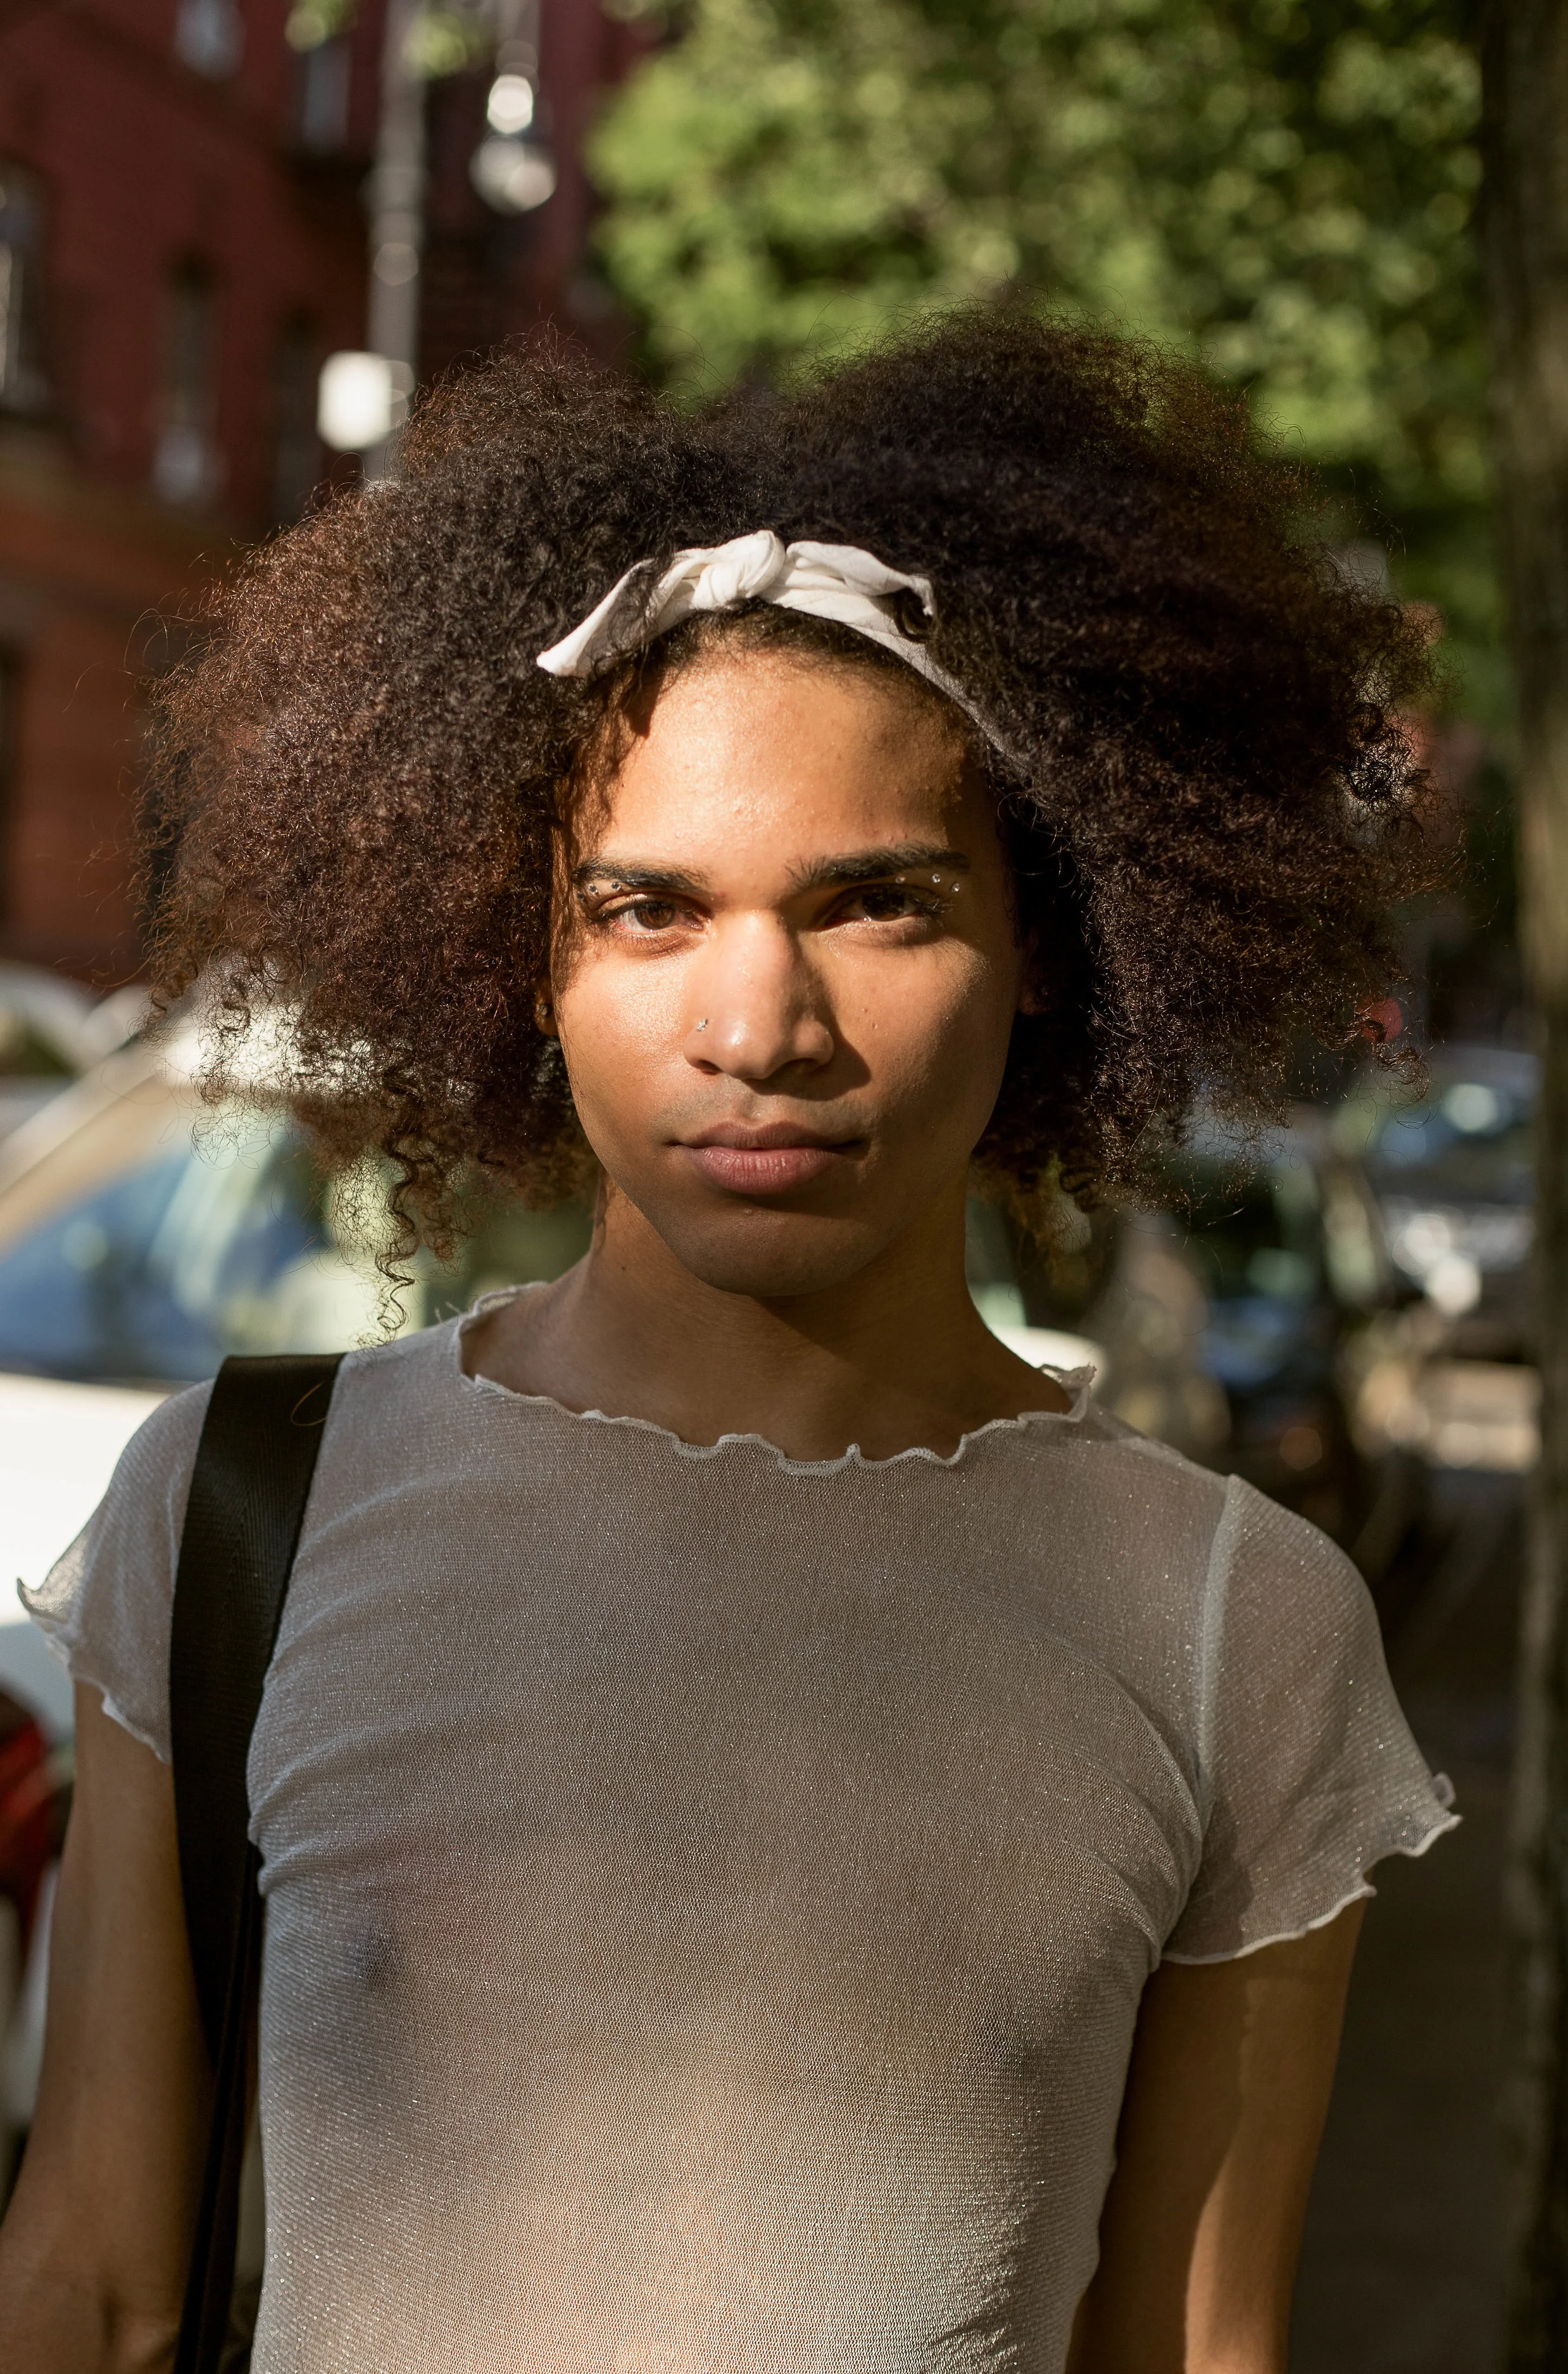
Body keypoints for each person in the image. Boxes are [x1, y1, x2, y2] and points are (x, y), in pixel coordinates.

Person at [0, 313, 1455, 2372]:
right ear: (526, 954)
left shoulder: (1239, 1626)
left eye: (875, 902)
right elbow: (90, 2282)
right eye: (647, 909)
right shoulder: (239, 1515)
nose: (758, 1030)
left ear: (1045, 939)